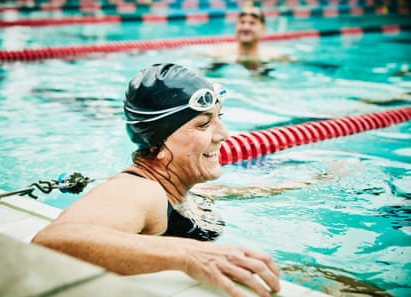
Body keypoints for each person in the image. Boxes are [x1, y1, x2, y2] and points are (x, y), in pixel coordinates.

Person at [32, 63, 280, 297]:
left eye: (219, 116)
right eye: (204, 124)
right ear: (158, 144)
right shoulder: (140, 190)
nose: (224, 134)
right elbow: (49, 243)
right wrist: (188, 254)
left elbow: (231, 192)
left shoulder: (180, 188)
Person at [203, 6, 293, 75]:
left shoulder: (273, 55)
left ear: (263, 28)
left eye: (252, 23)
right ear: (236, 26)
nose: (246, 27)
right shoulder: (218, 51)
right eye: (242, 22)